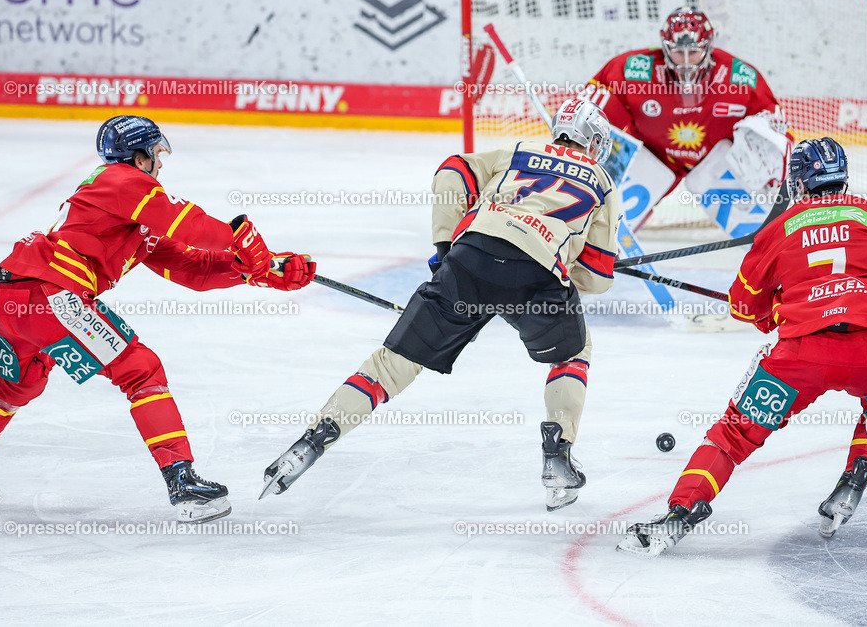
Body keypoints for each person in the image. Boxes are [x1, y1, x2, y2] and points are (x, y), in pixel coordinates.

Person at [261, 98, 620, 511]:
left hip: (470, 259)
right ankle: (558, 455)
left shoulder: (518, 152)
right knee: (574, 353)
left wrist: (445, 249)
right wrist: (561, 253)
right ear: (593, 144)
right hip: (536, 281)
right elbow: (595, 278)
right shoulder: (602, 180)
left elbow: (452, 170)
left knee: (392, 364)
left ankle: (315, 437)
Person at [0, 115, 316, 526]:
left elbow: (195, 267)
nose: (160, 163)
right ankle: (183, 482)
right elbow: (188, 224)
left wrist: (261, 270)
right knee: (142, 369)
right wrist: (242, 238)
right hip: (53, 296)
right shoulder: (120, 180)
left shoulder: (130, 214)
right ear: (137, 156)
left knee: (15, 386)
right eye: (156, 153)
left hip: (16, 298)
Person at [618, 137, 867, 557]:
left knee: (732, 434)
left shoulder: (778, 228)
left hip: (801, 356)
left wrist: (778, 310)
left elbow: (743, 306)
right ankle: (854, 480)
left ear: (798, 183)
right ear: (843, 178)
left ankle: (679, 514)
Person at [581, 7, 790, 229]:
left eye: (694, 52)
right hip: (655, 154)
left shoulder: (741, 78)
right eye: (679, 52)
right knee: (608, 222)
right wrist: (578, 139)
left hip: (715, 161)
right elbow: (592, 112)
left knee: (759, 233)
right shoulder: (633, 70)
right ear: (665, 48)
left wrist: (776, 173)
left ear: (709, 47)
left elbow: (776, 129)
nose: (687, 62)